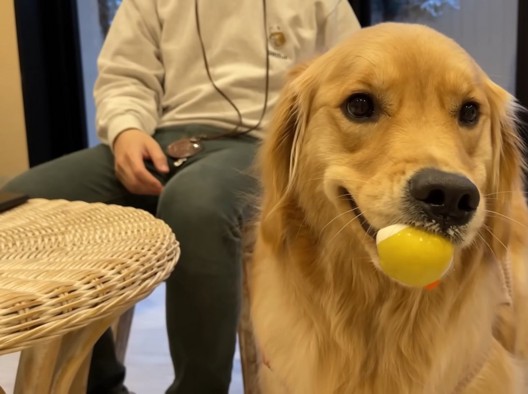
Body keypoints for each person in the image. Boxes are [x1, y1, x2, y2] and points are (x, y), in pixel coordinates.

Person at [2, 0, 361, 392]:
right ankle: (100, 383)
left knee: (196, 205)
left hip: (256, 143)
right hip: (160, 135)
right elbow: (124, 76)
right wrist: (126, 130)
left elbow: (356, 76)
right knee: (28, 198)